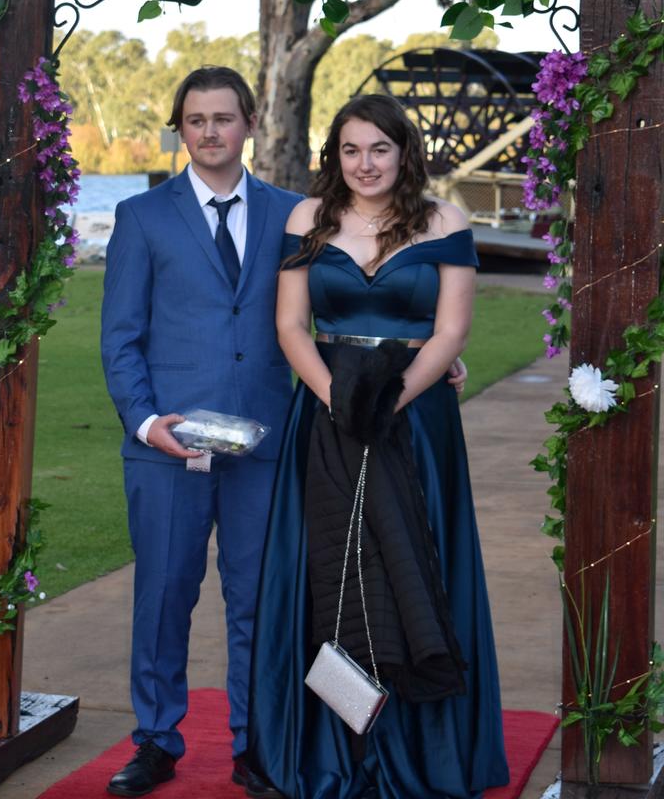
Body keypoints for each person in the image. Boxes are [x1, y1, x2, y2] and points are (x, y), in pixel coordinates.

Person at [101, 70, 467, 798]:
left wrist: (435, 360)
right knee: (165, 597)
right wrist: (146, 423)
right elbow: (120, 338)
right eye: (196, 120)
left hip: (270, 446)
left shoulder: (296, 214)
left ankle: (253, 742)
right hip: (168, 447)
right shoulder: (142, 217)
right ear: (181, 129)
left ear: (249, 123)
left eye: (224, 118)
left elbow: (347, 300)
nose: (211, 132)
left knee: (258, 604)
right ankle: (155, 740)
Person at [247, 94, 509, 799]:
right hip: (326, 410)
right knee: (329, 574)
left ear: (404, 152)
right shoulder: (308, 219)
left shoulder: (444, 221)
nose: (365, 164)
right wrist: (338, 400)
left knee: (413, 564)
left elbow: (451, 332)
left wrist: (389, 401)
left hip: (415, 419)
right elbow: (291, 325)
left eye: (380, 149)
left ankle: (419, 754)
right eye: (351, 149)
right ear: (335, 155)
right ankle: (327, 748)